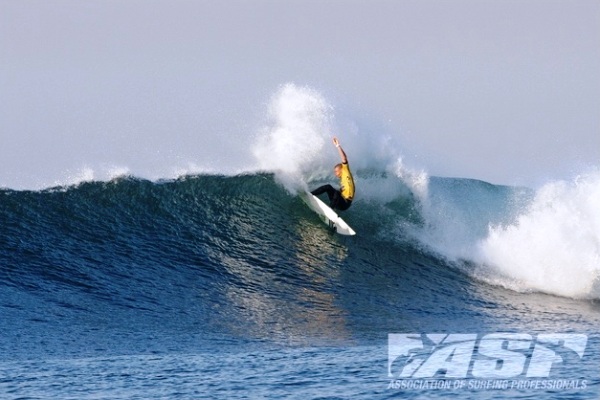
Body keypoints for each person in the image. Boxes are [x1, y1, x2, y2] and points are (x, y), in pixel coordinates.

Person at [311, 137, 355, 211]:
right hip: (339, 201)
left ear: (341, 169)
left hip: (345, 203)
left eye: (336, 171)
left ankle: (329, 210)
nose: (335, 173)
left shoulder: (345, 171)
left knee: (337, 193)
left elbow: (344, 158)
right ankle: (311, 194)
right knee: (328, 187)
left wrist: (338, 146)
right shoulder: (342, 180)